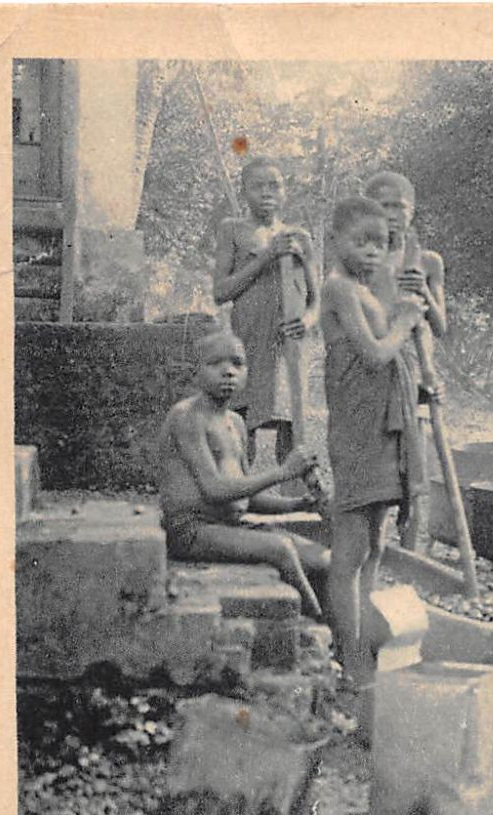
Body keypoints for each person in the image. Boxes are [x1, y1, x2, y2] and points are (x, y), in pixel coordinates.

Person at [320, 195, 435, 686]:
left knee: (376, 545)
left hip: (384, 428)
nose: (371, 252)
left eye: (380, 243)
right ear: (335, 241)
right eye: (360, 242)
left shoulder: (370, 290)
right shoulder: (338, 289)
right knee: (349, 550)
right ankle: (349, 657)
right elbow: (372, 354)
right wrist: (405, 322)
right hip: (357, 429)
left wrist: (409, 312)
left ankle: (364, 649)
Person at [157, 329, 328, 616]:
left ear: (248, 371)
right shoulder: (187, 417)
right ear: (195, 373)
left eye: (237, 363)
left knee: (323, 558)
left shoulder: (235, 422)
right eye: (215, 364)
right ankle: (321, 632)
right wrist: (283, 473)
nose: (228, 372)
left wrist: (297, 505)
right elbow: (214, 490)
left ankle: (343, 637)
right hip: (191, 530)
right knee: (280, 550)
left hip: (231, 526)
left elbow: (247, 497)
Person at [211, 157, 319, 466]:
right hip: (248, 341)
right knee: (243, 420)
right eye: (258, 187)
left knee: (290, 417)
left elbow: (316, 300)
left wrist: (306, 322)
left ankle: (294, 494)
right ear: (244, 191)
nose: (267, 193)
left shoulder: (299, 238)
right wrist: (265, 257)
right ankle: (243, 491)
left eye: (275, 186)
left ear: (285, 192)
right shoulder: (232, 230)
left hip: (287, 345)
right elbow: (221, 292)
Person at [362, 171, 448, 546]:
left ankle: (411, 548)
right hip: (376, 362)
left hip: (416, 367)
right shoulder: (364, 259)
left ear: (412, 212)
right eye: (385, 207)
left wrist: (423, 295)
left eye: (401, 207)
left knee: (414, 464)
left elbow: (440, 325)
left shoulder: (427, 261)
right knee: (377, 461)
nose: (394, 215)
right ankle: (374, 543)